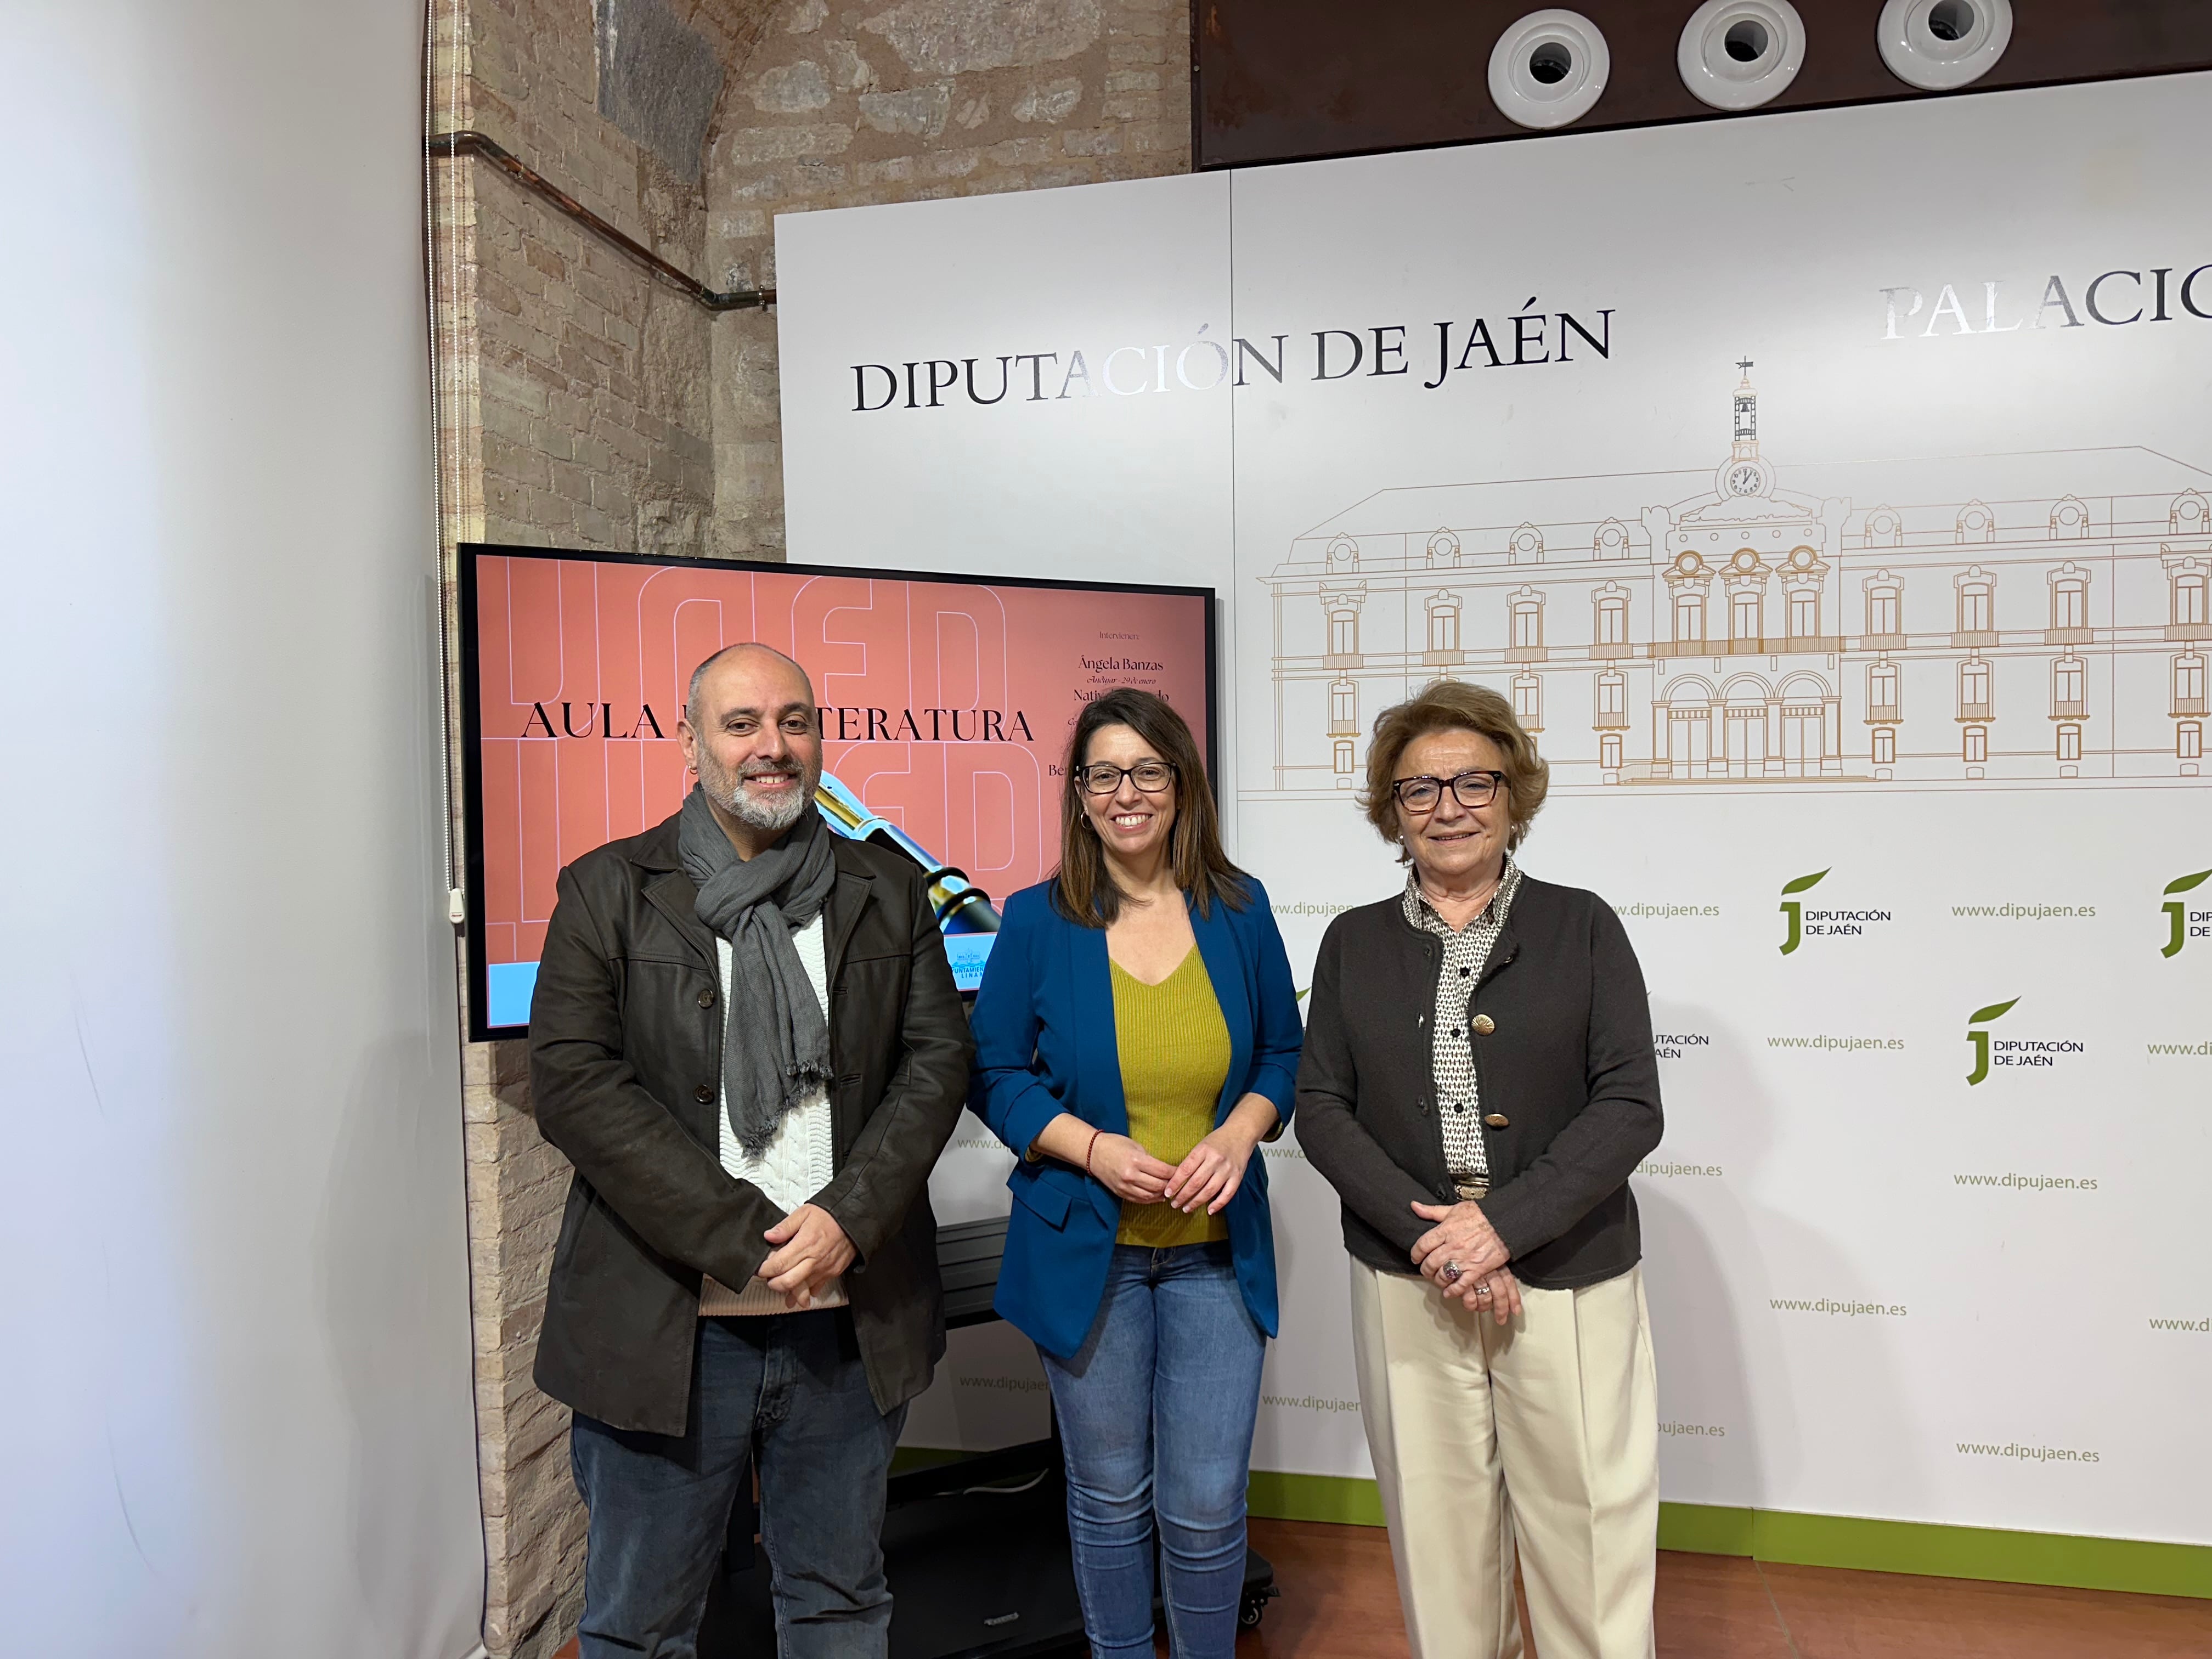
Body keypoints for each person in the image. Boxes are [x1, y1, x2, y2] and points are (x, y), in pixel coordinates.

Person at [528, 642, 973, 1659]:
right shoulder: (608, 892)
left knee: (839, 1604)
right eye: (741, 725)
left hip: (846, 1321)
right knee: (641, 1630)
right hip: (670, 1324)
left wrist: (848, 1224)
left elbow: (936, 1062)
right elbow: (577, 1085)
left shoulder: (888, 889)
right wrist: (750, 1236)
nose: (772, 747)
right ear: (690, 744)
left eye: (795, 721)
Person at [1295, 680, 1664, 1659]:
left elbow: (1630, 1104)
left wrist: (1501, 1227)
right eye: (1420, 790)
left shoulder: (1585, 927)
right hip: (1406, 1279)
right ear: (1393, 811)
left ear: (1513, 795)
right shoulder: (1351, 943)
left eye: (1473, 783)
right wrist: (1435, 1238)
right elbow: (1320, 1110)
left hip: (1567, 1279)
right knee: (1439, 1547)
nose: (1448, 808)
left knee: (1590, 1541)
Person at [969, 688, 1303, 1659]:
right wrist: (1090, 1147)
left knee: (1205, 1509)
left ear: (1180, 785)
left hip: (1213, 1259)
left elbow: (1283, 1054)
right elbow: (991, 1074)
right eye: (1104, 773)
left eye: (1147, 771)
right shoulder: (1036, 920)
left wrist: (1241, 1133)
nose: (1127, 793)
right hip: (1089, 1252)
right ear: (1078, 795)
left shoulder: (1239, 910)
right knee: (1110, 1498)